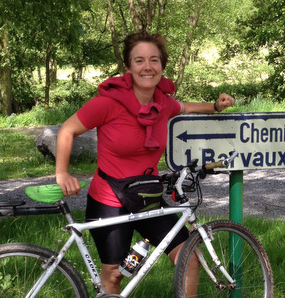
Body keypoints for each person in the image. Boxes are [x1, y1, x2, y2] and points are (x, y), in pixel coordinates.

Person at [55, 31, 235, 295]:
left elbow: (184, 107)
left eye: (154, 60)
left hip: (146, 195)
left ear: (162, 66)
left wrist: (215, 106)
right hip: (110, 197)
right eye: (139, 61)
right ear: (128, 67)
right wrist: (62, 173)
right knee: (114, 275)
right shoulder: (108, 103)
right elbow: (67, 131)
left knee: (189, 258)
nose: (147, 67)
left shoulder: (163, 103)